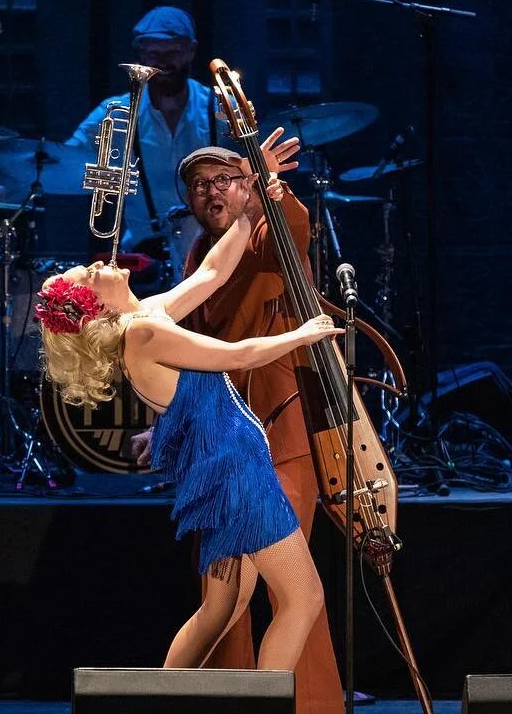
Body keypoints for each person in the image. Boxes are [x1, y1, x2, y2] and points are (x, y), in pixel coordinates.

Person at [37, 135, 341, 672]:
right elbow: (239, 355)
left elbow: (211, 273)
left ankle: (164, 710)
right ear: (96, 308)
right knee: (302, 598)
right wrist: (304, 334)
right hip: (238, 477)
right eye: (89, 275)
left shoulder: (146, 316)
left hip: (225, 472)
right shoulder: (144, 336)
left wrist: (249, 203)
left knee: (221, 607)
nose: (99, 264)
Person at [132, 145, 347, 714]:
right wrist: (170, 424)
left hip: (276, 424)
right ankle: (224, 706)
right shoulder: (200, 255)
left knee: (289, 583)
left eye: (224, 180)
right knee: (231, 593)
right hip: (223, 441)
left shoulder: (268, 226)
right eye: (199, 186)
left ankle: (309, 709)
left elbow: (294, 228)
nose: (212, 193)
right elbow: (196, 355)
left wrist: (266, 189)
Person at [62, 5, 228, 283]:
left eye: (171, 52)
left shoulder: (221, 108)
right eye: (152, 53)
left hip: (218, 252)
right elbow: (60, 162)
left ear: (191, 50)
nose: (161, 62)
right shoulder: (115, 112)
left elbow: (252, 170)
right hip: (144, 260)